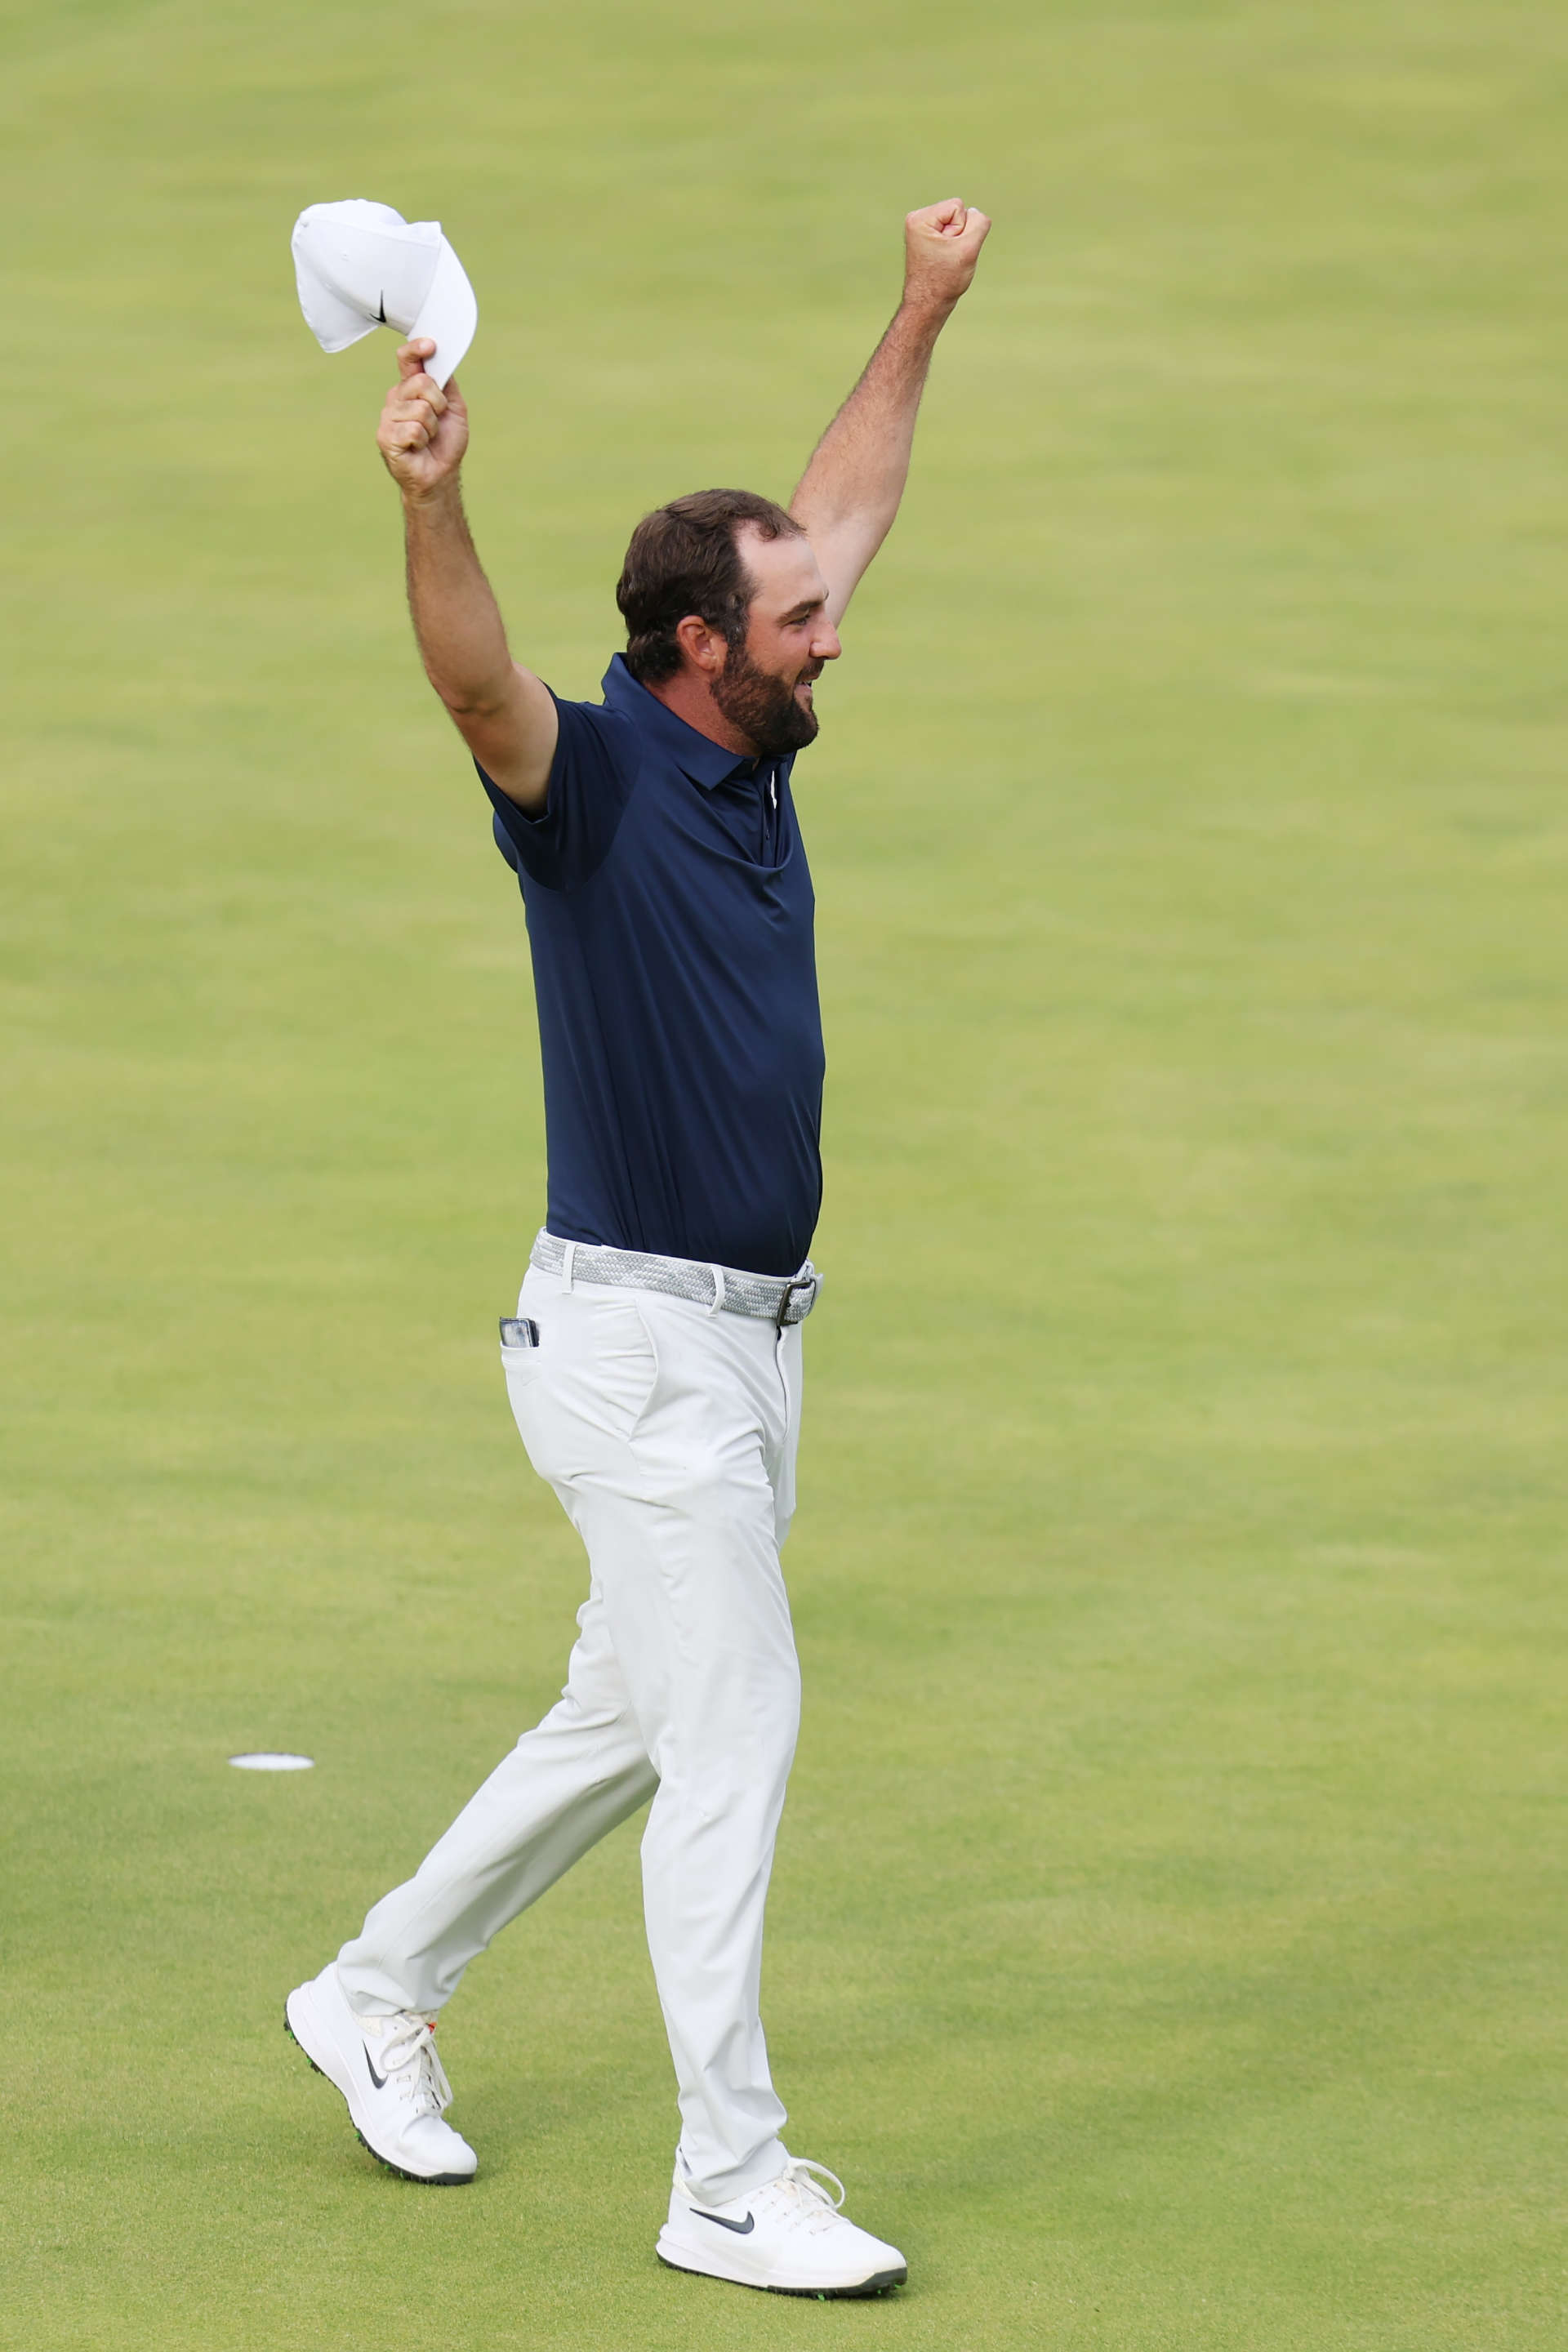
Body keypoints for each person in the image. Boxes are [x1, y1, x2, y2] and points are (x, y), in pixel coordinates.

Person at [286, 196, 991, 2299]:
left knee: (629, 1719)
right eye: (792, 625)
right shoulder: (588, 782)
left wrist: (920, 307)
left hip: (750, 1348)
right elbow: (472, 676)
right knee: (739, 1729)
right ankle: (727, 2178)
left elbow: (845, 507)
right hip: (631, 1356)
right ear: (701, 648)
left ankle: (375, 1986)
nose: (829, 633)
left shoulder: (752, 748)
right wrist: (437, 498)